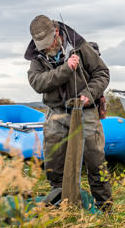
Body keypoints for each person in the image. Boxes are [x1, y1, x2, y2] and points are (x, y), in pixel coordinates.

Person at [25, 15, 111, 210]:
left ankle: (105, 207)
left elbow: (102, 72)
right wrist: (66, 69)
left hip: (84, 108)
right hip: (56, 111)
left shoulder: (80, 46)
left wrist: (88, 95)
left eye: (49, 43)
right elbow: (38, 83)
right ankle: (62, 203)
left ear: (56, 32)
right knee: (53, 160)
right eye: (42, 46)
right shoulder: (36, 58)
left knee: (95, 157)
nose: (47, 48)